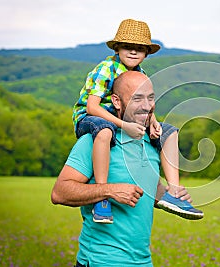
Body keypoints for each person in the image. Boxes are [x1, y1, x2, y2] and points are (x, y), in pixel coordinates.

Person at [52, 71, 193, 267]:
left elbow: (147, 187)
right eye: (137, 98)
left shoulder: (152, 142)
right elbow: (59, 193)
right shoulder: (96, 140)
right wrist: (109, 190)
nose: (146, 105)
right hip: (101, 260)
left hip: (143, 261)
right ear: (117, 102)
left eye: (150, 98)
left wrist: (170, 195)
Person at [72, 18, 203, 223]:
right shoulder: (106, 68)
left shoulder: (140, 74)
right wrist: (124, 126)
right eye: (128, 47)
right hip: (93, 117)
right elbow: (92, 107)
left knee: (169, 133)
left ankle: (174, 193)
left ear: (146, 53)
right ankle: (102, 197)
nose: (133, 52)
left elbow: (146, 103)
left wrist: (153, 121)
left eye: (139, 49)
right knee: (105, 131)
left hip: (126, 117)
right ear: (117, 48)